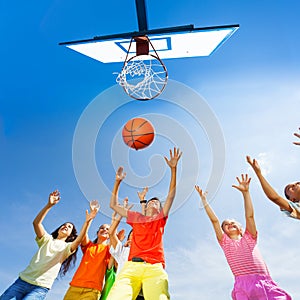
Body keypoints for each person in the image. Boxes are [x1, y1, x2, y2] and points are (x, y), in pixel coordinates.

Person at [195, 174, 291, 299]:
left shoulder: (249, 237)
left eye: (232, 222)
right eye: (226, 225)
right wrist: (204, 201)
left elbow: (249, 216)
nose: (229, 224)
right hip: (242, 286)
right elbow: (214, 221)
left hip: (264, 283)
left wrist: (246, 193)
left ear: (240, 228)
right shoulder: (225, 242)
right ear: (223, 231)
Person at [106, 147, 182, 300]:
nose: (154, 202)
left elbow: (171, 195)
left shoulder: (160, 220)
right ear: (146, 206)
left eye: (157, 202)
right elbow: (113, 205)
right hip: (131, 267)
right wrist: (117, 182)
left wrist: (173, 170)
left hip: (154, 268)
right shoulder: (136, 218)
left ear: (160, 209)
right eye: (151, 201)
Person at [0, 190, 99, 300]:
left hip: (40, 288)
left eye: (69, 227)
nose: (66, 226)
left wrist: (88, 222)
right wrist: (49, 205)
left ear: (71, 235)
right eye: (64, 225)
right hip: (22, 282)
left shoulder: (67, 248)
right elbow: (36, 223)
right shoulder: (47, 239)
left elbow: (80, 239)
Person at [63, 201, 111, 300]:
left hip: (93, 290)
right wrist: (89, 220)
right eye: (102, 228)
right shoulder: (89, 246)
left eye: (108, 229)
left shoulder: (109, 250)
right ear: (98, 232)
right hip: (75, 286)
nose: (105, 230)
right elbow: (83, 235)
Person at [246, 155, 300, 219]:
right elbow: (275, 198)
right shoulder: (297, 208)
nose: (294, 185)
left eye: (298, 183)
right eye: (289, 188)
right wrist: (258, 173)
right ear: (292, 200)